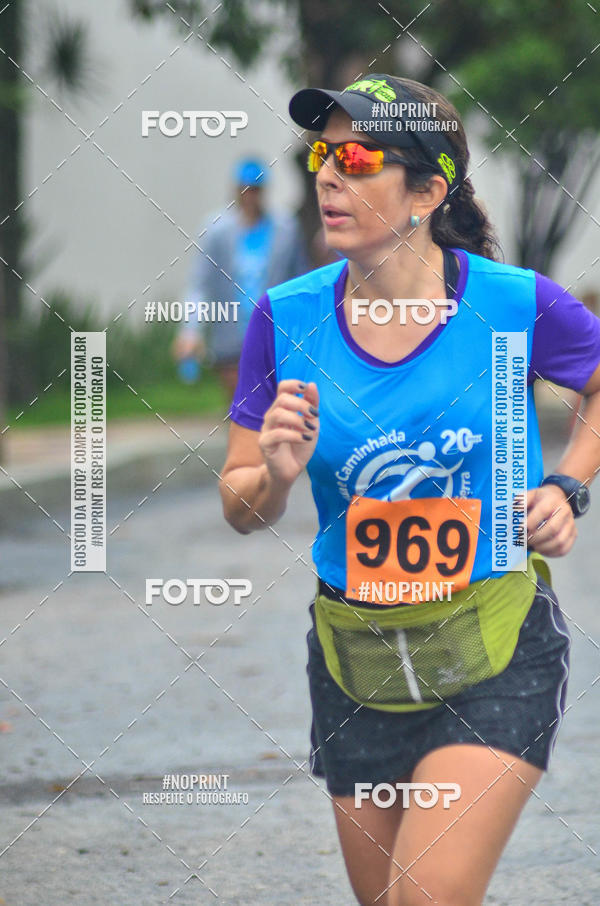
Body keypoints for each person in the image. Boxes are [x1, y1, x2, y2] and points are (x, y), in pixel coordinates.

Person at [218, 73, 600, 906]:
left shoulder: (514, 304)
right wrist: (275, 477)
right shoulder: (285, 318)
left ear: (428, 190)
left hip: (494, 648)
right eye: (322, 154)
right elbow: (239, 500)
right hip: (357, 663)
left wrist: (569, 485)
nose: (327, 175)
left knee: (424, 897)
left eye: (355, 157)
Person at [173, 156, 309, 397]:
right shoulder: (216, 230)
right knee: (239, 406)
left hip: (272, 336)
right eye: (245, 189)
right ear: (236, 190)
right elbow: (200, 284)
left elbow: (299, 279)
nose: (250, 196)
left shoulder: (285, 229)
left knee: (270, 405)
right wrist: (190, 331)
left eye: (255, 190)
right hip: (230, 338)